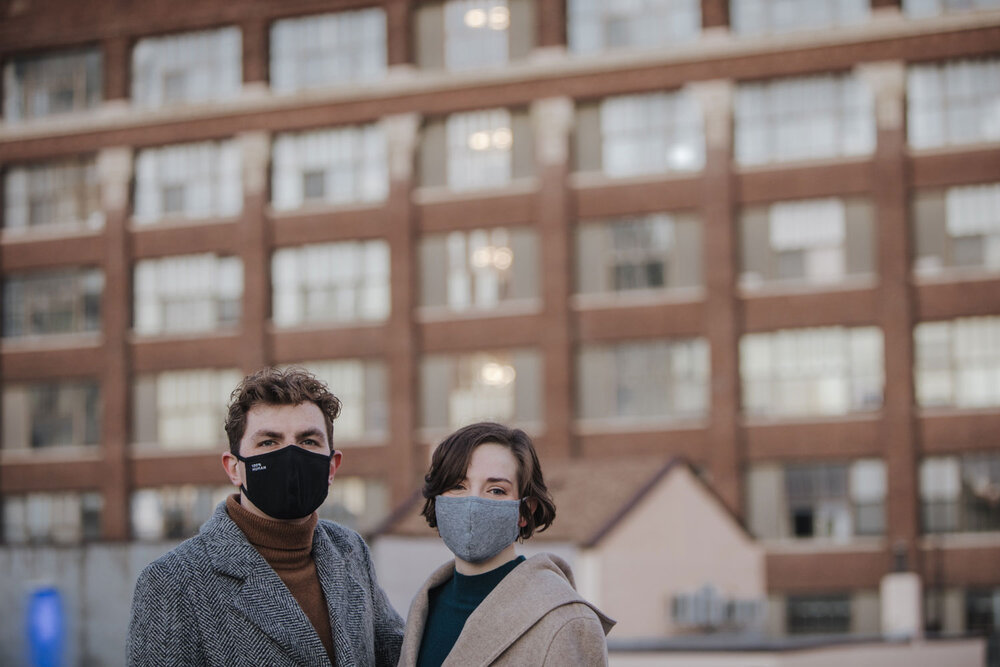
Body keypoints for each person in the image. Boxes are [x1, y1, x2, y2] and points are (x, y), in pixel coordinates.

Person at [127, 367, 403, 666]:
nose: (290, 456)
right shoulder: (172, 581)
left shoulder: (350, 550)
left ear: (332, 466)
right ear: (234, 468)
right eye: (268, 442)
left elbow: (402, 653)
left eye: (308, 441)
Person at [398, 422, 615, 666]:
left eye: (496, 490)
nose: (473, 503)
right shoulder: (426, 604)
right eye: (458, 486)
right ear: (438, 500)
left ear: (524, 511)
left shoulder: (565, 621)